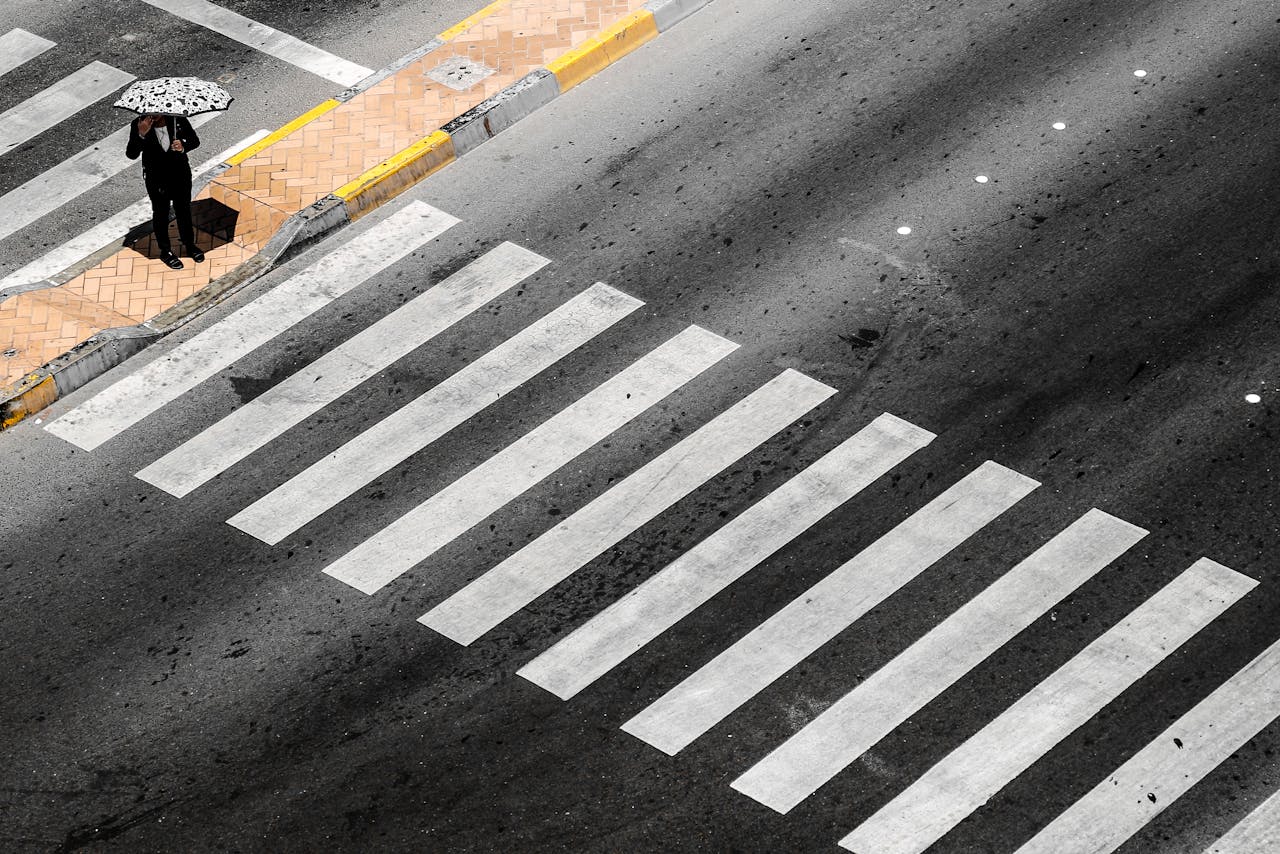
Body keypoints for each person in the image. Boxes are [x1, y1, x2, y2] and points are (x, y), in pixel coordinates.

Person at [125, 113, 203, 269]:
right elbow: (131, 154)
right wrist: (141, 134)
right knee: (161, 213)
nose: (153, 115)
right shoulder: (139, 124)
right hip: (156, 179)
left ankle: (189, 245)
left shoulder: (177, 120)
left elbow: (195, 141)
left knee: (183, 210)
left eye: (157, 111)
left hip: (180, 174)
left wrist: (183, 146)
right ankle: (165, 251)